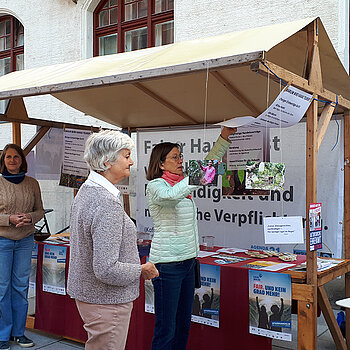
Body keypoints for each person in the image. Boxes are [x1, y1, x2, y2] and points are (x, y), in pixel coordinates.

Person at [146, 127, 236, 350]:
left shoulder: (183, 184)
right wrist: (198, 175)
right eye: (174, 157)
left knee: (183, 325)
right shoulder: (157, 186)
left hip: (187, 263)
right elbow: (171, 196)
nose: (180, 161)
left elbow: (206, 167)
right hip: (167, 266)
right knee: (166, 329)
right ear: (160, 163)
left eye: (181, 156)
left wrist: (223, 138)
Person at [67, 130, 158, 350]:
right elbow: (106, 269)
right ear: (107, 161)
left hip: (95, 298)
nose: (131, 162)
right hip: (106, 301)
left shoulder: (87, 191)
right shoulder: (105, 202)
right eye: (126, 156)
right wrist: (142, 270)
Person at [0, 143, 44, 350]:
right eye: (8, 157)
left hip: (25, 240)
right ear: (3, 160)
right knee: (2, 288)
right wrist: (9, 218)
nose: (12, 161)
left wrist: (29, 217)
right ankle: (2, 334)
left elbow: (40, 211)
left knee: (20, 287)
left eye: (16, 157)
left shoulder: (32, 183)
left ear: (22, 160)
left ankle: (18, 333)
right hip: (3, 240)